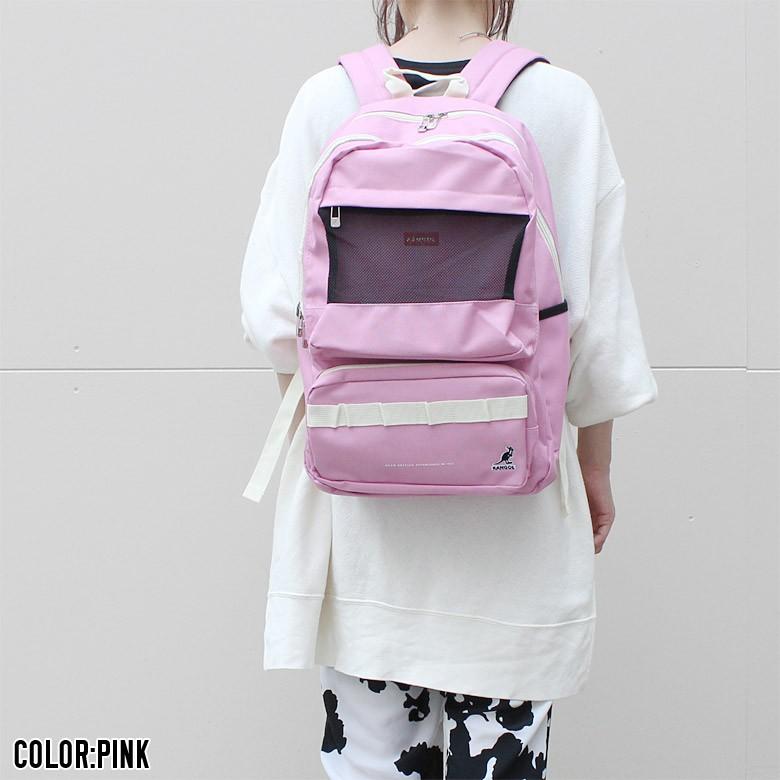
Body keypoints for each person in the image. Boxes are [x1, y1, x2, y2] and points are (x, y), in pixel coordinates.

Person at [239, 1, 658, 777]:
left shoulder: (327, 101)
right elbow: (596, 330)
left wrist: (358, 424)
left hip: (365, 548)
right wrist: (596, 464)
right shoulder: (562, 101)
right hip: (515, 539)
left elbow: (274, 319)